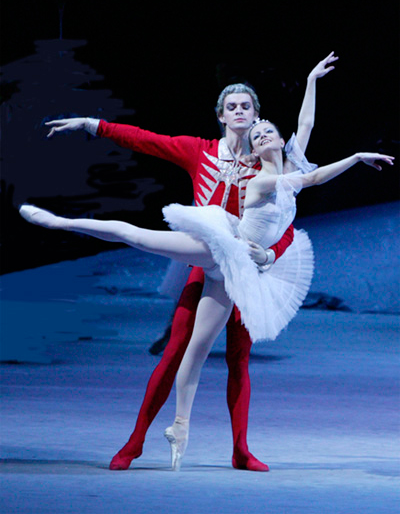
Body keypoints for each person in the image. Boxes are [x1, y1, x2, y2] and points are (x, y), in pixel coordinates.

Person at [25, 53, 337, 472]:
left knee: (238, 358)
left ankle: (241, 450)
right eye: (232, 106)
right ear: (221, 116)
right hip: (207, 259)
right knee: (175, 349)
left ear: (258, 115)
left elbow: (284, 221)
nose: (240, 111)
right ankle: (134, 443)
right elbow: (145, 139)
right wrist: (91, 125)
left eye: (247, 106)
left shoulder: (270, 159)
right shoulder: (201, 152)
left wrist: (270, 254)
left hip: (250, 270)